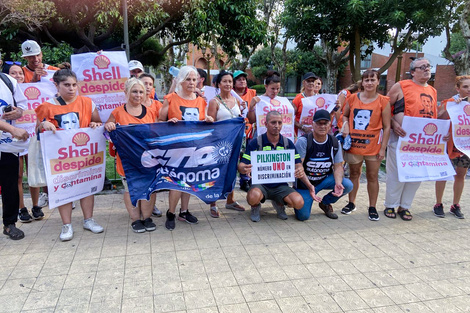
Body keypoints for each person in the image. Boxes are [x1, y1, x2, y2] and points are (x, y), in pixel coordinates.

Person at [35, 64, 104, 241]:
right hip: (61, 157)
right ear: (57, 85)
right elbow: (38, 129)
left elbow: (96, 121)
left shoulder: (87, 103)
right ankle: (67, 225)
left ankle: (88, 219)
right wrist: (44, 124)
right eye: (66, 85)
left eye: (74, 85)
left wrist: (95, 124)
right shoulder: (46, 106)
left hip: (84, 155)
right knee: (63, 189)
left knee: (86, 186)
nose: (71, 88)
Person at [159, 66, 214, 230]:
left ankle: (184, 211)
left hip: (195, 149)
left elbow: (203, 122)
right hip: (176, 149)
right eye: (188, 79)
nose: (191, 83)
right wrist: (168, 123)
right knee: (176, 182)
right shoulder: (170, 98)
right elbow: (159, 121)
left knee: (189, 181)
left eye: (194, 79)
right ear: (181, 80)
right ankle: (170, 212)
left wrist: (209, 119)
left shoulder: (201, 101)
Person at [384, 57, 437, 221]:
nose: (427, 69)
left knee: (417, 175)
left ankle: (405, 206)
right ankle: (390, 205)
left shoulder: (433, 91)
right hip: (401, 138)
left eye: (428, 66)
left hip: (422, 142)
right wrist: (392, 123)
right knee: (396, 173)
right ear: (413, 72)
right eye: (422, 67)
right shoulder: (401, 86)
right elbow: (384, 107)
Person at [238, 110, 316, 222]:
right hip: (260, 184)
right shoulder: (256, 143)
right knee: (253, 197)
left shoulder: (287, 143)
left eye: (279, 123)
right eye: (273, 122)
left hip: (280, 185)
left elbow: (298, 165)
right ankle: (255, 206)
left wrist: (305, 178)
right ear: (265, 124)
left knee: (298, 203)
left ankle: (279, 202)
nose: (277, 126)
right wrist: (244, 168)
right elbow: (241, 165)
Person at [105, 78, 158, 232]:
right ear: (126, 92)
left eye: (141, 92)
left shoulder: (150, 111)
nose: (138, 95)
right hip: (127, 160)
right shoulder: (117, 112)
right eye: (134, 91)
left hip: (147, 159)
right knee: (131, 189)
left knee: (149, 188)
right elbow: (107, 130)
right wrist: (109, 125)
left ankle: (147, 218)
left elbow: (157, 132)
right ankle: (135, 219)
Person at [341, 70, 391, 220]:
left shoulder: (383, 101)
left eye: (372, 80)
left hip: (373, 147)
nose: (369, 83)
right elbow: (345, 115)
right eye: (366, 80)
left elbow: (387, 126)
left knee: (372, 176)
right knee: (354, 174)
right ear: (362, 82)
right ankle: (351, 203)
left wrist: (383, 148)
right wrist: (345, 125)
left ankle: (372, 206)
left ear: (377, 82)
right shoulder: (352, 98)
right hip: (354, 145)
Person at [247, 71, 296, 217]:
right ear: (266, 86)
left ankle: (278, 199)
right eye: (272, 88)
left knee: (277, 170)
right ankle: (256, 203)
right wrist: (251, 107)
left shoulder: (284, 101)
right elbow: (250, 120)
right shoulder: (258, 100)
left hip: (281, 141)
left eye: (277, 89)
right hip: (262, 140)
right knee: (262, 170)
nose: (275, 91)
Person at [2, 62, 44, 223]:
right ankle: (21, 208)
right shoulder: (7, 88)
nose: (18, 76)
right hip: (10, 139)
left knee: (33, 171)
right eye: (14, 73)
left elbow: (25, 107)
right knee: (17, 176)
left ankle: (35, 206)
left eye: (20, 73)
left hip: (28, 137)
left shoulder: (18, 86)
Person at [294, 110, 353, 220]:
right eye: (319, 123)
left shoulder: (334, 142)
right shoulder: (304, 141)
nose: (322, 126)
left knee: (347, 185)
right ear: (313, 124)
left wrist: (338, 183)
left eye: (325, 123)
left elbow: (338, 166)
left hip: (324, 179)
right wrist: (309, 186)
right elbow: (298, 167)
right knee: (303, 216)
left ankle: (325, 202)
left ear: (329, 125)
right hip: (306, 184)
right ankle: (297, 198)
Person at [206, 70, 246, 217]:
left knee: (232, 170)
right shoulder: (214, 102)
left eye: (230, 81)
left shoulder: (236, 100)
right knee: (217, 171)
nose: (228, 84)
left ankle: (230, 200)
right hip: (219, 144)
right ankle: (213, 202)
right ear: (218, 84)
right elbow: (211, 124)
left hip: (235, 142)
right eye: (225, 81)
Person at [433, 75, 470, 219]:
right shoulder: (450, 102)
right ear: (458, 88)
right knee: (443, 174)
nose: (468, 90)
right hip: (449, 146)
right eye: (465, 87)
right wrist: (452, 106)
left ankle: (456, 205)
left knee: (460, 175)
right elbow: (439, 119)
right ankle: (438, 203)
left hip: (465, 146)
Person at [0, 59, 29, 240]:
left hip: (6, 144)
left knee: (10, 184)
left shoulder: (9, 82)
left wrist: (17, 112)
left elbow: (23, 106)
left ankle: (9, 224)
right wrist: (13, 129)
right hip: (10, 134)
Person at [139, 73, 163, 217]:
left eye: (149, 84)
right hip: (136, 147)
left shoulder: (157, 105)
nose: (147, 86)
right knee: (139, 178)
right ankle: (138, 207)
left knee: (153, 179)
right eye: (144, 83)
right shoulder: (131, 105)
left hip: (154, 148)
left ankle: (150, 206)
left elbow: (164, 122)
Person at [232, 70, 257, 192]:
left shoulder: (252, 93)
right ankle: (240, 179)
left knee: (248, 156)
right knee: (238, 156)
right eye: (239, 79)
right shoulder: (230, 94)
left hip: (249, 131)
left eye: (244, 79)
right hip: (235, 131)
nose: (242, 81)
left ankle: (247, 179)